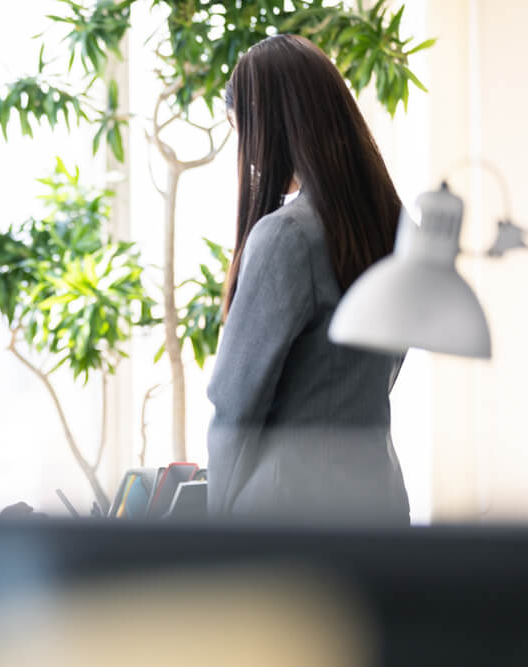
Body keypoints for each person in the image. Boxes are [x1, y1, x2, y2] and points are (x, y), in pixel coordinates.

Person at [206, 34, 410, 524]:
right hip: (378, 497)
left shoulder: (287, 236)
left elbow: (236, 401)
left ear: (270, 126)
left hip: (289, 511)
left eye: (243, 131)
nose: (248, 153)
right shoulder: (393, 225)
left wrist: (215, 525)